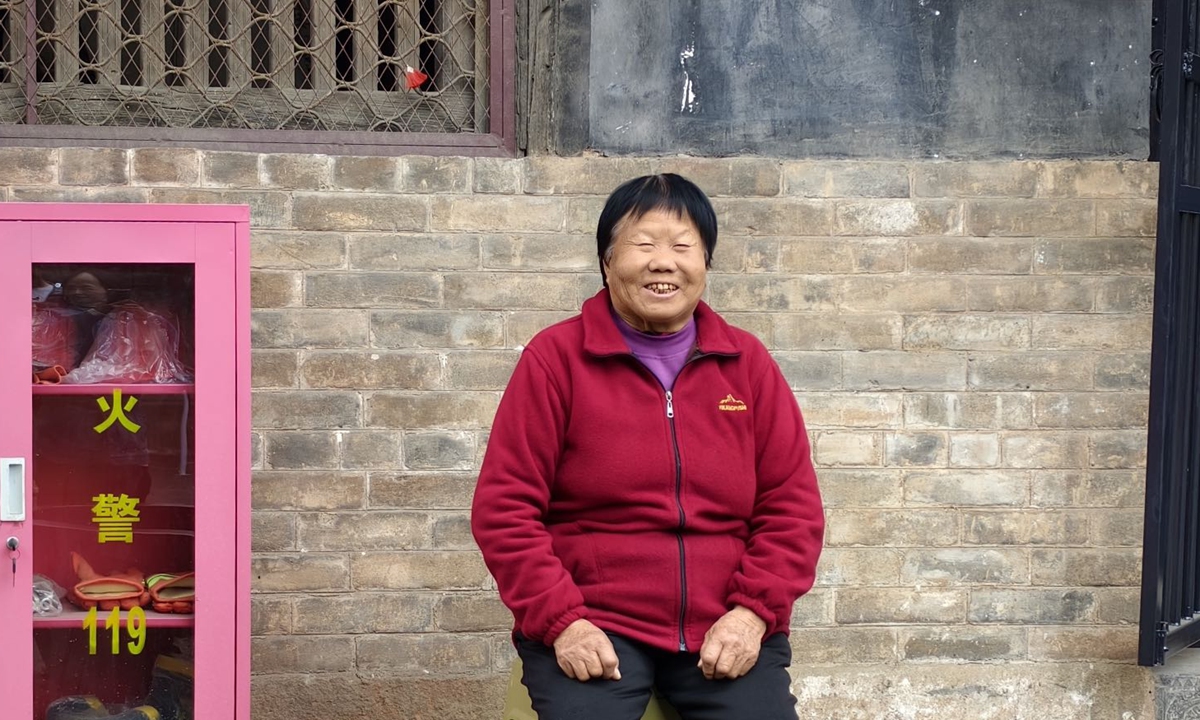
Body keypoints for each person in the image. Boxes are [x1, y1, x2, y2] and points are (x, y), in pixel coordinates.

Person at [470, 174, 825, 720]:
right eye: (643, 244)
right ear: (607, 262)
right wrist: (562, 621)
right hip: (597, 623)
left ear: (705, 263)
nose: (664, 262)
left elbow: (792, 509)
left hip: (723, 622)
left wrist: (753, 613)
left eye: (683, 246)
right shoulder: (555, 359)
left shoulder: (747, 363)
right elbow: (505, 510)